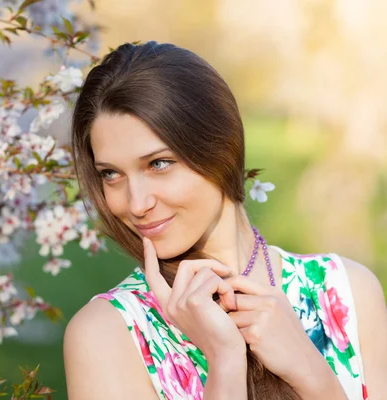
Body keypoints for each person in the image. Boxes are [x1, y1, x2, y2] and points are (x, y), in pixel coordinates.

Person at [63, 41, 387, 400]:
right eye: (111, 174)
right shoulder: (108, 334)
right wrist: (225, 361)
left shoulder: (347, 293)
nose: (136, 204)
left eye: (158, 164)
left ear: (220, 148)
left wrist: (309, 370)